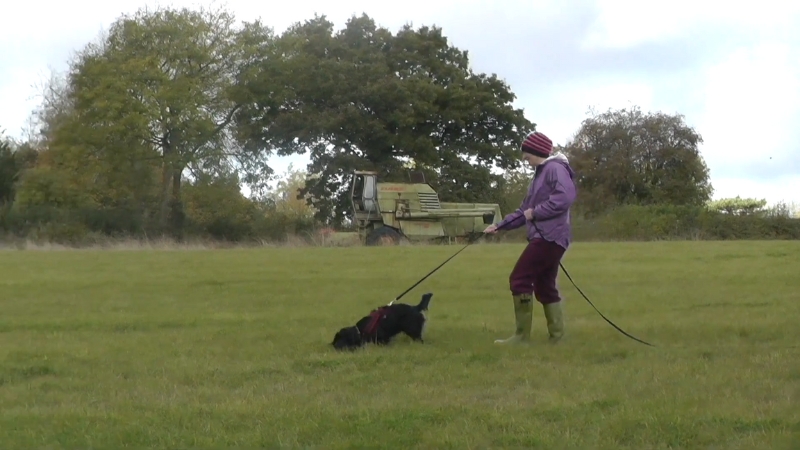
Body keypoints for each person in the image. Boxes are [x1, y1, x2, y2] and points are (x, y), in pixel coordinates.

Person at [484, 131, 577, 344]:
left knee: (519, 278)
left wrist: (536, 213)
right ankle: (557, 337)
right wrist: (500, 226)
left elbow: (564, 198)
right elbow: (524, 210)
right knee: (545, 285)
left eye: (527, 156)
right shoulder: (539, 174)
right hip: (547, 237)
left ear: (537, 151)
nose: (526, 161)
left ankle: (521, 337)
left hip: (550, 237)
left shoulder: (554, 169)